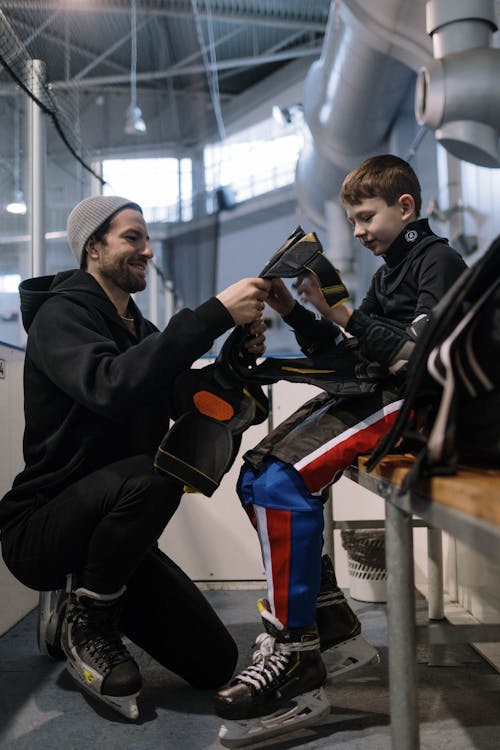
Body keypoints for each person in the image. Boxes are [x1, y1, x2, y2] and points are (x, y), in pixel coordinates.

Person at [214, 154, 468, 747]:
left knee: (280, 483)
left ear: (405, 208)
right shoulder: (388, 274)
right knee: (255, 477)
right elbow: (351, 350)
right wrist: (292, 311)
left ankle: (295, 653)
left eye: (364, 217)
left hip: (418, 406)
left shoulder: (439, 261)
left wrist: (345, 312)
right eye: (352, 220)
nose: (356, 231)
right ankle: (326, 618)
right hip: (380, 394)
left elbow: (419, 358)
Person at [0, 195, 271, 720]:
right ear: (93, 246)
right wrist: (213, 313)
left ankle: (89, 600)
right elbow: (111, 387)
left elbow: (183, 396)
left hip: (112, 536)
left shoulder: (139, 333)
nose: (147, 250)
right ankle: (89, 620)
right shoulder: (60, 317)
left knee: (215, 662)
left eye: (147, 240)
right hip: (41, 529)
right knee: (158, 474)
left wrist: (236, 358)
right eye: (132, 238)